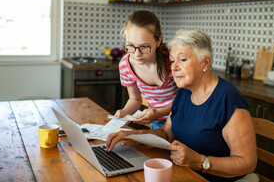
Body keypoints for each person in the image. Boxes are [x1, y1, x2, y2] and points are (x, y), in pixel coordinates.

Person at [107, 29, 258, 182]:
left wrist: (199, 161)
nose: (174, 67)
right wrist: (134, 136)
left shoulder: (228, 99)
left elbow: (247, 163)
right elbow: (166, 133)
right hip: (187, 173)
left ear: (205, 62)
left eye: (183, 60)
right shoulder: (184, 92)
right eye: (172, 61)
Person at [115, 10, 179, 129]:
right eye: (130, 46)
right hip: (157, 121)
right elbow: (135, 99)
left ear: (158, 41)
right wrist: (125, 112)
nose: (137, 54)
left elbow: (189, 100)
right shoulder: (125, 65)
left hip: (183, 118)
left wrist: (158, 112)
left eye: (144, 46)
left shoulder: (173, 61)